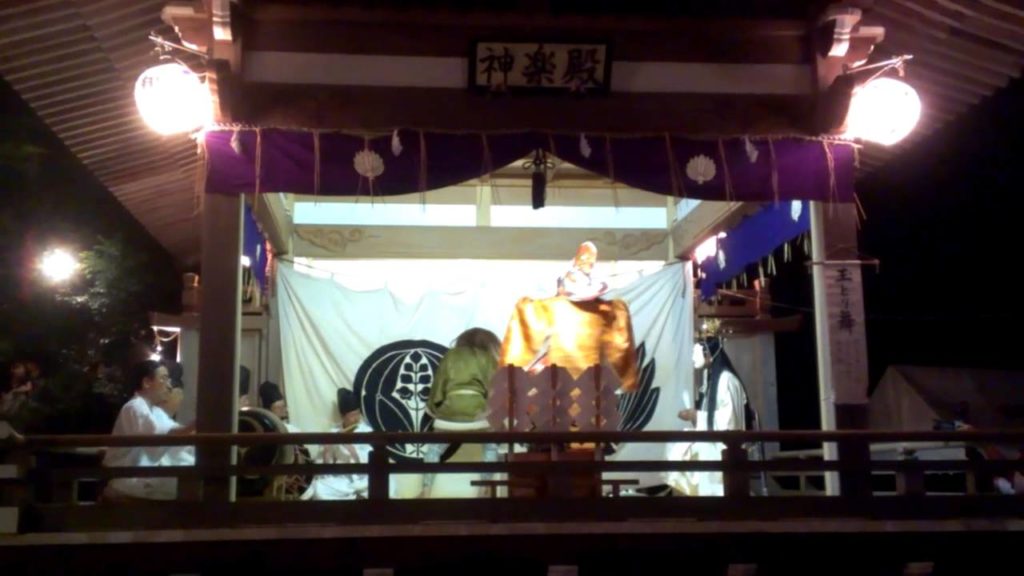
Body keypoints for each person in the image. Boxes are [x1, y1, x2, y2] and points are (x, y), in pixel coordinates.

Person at [666, 335, 749, 497]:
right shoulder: (712, 379)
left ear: (709, 355)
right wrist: (696, 416)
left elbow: (730, 420)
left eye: (697, 353)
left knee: (683, 452)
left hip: (724, 444)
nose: (693, 358)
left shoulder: (727, 381)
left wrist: (697, 416)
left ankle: (706, 499)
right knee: (678, 447)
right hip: (712, 437)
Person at [102, 360, 195, 500]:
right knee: (188, 481)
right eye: (163, 379)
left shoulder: (155, 411)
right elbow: (157, 437)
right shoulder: (134, 407)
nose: (169, 386)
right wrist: (193, 426)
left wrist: (192, 430)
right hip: (130, 475)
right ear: (146, 382)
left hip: (144, 471)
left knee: (191, 465)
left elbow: (173, 430)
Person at [301, 388, 372, 500]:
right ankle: (354, 497)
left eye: (358, 414)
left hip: (364, 479)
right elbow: (323, 470)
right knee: (319, 490)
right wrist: (327, 451)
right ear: (343, 416)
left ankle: (355, 496)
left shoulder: (366, 431)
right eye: (352, 415)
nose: (356, 418)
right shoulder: (333, 433)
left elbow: (371, 461)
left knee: (387, 484)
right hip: (342, 481)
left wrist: (352, 450)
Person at [428, 328, 502, 423]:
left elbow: (436, 395)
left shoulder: (450, 358)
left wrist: (435, 413)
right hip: (480, 419)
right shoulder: (489, 362)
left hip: (447, 418)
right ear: (493, 349)